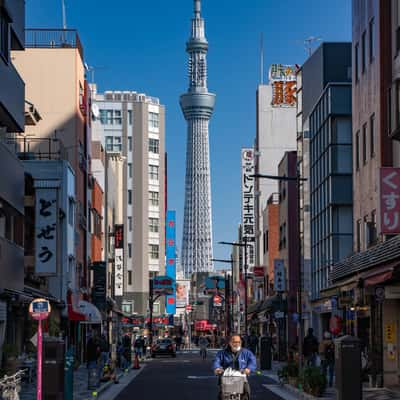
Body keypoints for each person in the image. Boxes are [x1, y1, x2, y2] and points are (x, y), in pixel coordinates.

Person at [213, 334, 257, 400]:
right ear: (230, 343)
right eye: (234, 342)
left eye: (239, 342)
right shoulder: (222, 353)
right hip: (226, 377)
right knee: (222, 395)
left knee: (246, 391)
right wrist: (217, 368)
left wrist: (249, 368)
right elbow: (216, 361)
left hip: (241, 376)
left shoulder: (247, 352)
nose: (237, 344)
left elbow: (252, 361)